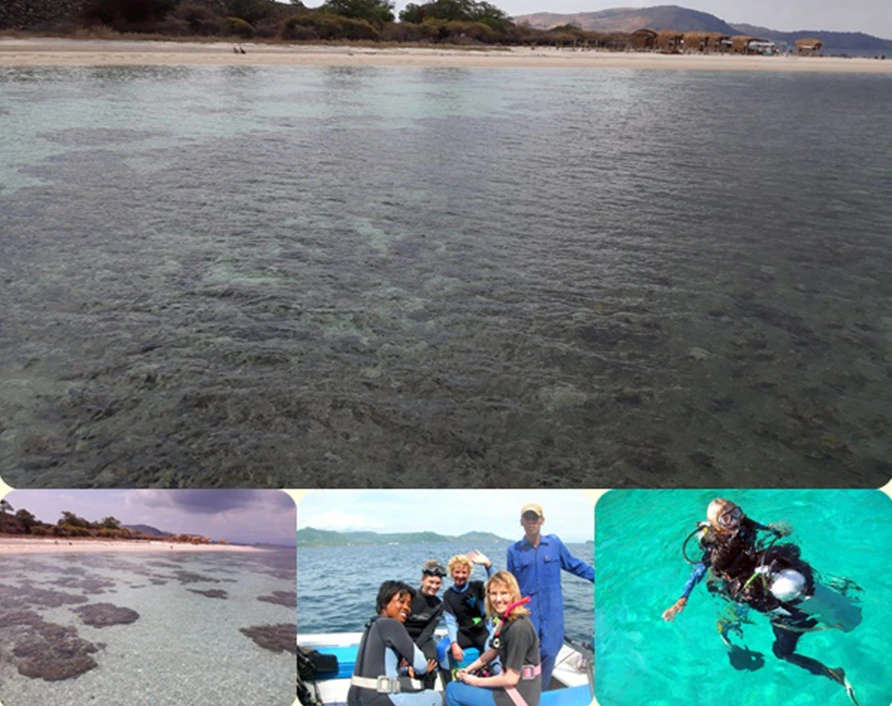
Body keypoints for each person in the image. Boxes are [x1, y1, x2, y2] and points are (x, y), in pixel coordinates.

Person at [662, 498, 862, 705]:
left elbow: (761, 528)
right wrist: (681, 600)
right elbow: (698, 572)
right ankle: (834, 596)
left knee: (782, 652)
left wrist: (775, 529)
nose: (735, 520)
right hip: (745, 579)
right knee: (727, 591)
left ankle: (830, 671)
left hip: (762, 573)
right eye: (726, 518)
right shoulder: (715, 549)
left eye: (737, 512)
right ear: (716, 526)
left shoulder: (745, 523)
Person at [506, 503, 594, 689]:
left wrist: (600, 578)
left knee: (550, 651)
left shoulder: (554, 544)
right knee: (527, 654)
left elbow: (574, 565)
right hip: (528, 613)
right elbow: (509, 585)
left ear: (542, 521)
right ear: (521, 522)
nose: (531, 522)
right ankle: (524, 691)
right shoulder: (514, 551)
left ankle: (541, 692)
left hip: (552, 612)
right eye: (527, 518)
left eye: (535, 518)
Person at [444, 571, 541, 706]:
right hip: (515, 688)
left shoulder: (518, 628)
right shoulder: (505, 621)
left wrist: (475, 681)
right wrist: (468, 670)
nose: (498, 599)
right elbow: (492, 651)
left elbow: (510, 679)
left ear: (513, 595)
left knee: (452, 690)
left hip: (517, 697)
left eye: (504, 593)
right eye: (493, 594)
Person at [348, 581, 442, 706]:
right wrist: (422, 668)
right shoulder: (393, 625)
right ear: (385, 602)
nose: (407, 608)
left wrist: (404, 672)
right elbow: (421, 666)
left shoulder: (371, 627)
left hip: (355, 698)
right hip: (380, 699)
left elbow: (380, 668)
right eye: (401, 602)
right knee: (437, 697)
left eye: (409, 604)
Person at [441, 551, 494, 670]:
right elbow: (450, 621)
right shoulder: (448, 595)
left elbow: (495, 584)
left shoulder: (477, 587)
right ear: (451, 573)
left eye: (464, 572)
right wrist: (454, 644)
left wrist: (488, 565)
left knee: (492, 652)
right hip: (465, 633)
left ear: (469, 573)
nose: (460, 575)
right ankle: (450, 684)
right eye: (457, 572)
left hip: (483, 631)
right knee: (443, 650)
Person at [405, 560, 447, 686]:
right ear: (422, 580)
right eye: (431, 582)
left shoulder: (439, 605)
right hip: (403, 635)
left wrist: (415, 649)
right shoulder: (409, 597)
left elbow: (429, 630)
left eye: (438, 583)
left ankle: (429, 696)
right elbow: (397, 623)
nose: (434, 586)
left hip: (422, 638)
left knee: (431, 661)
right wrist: (407, 650)